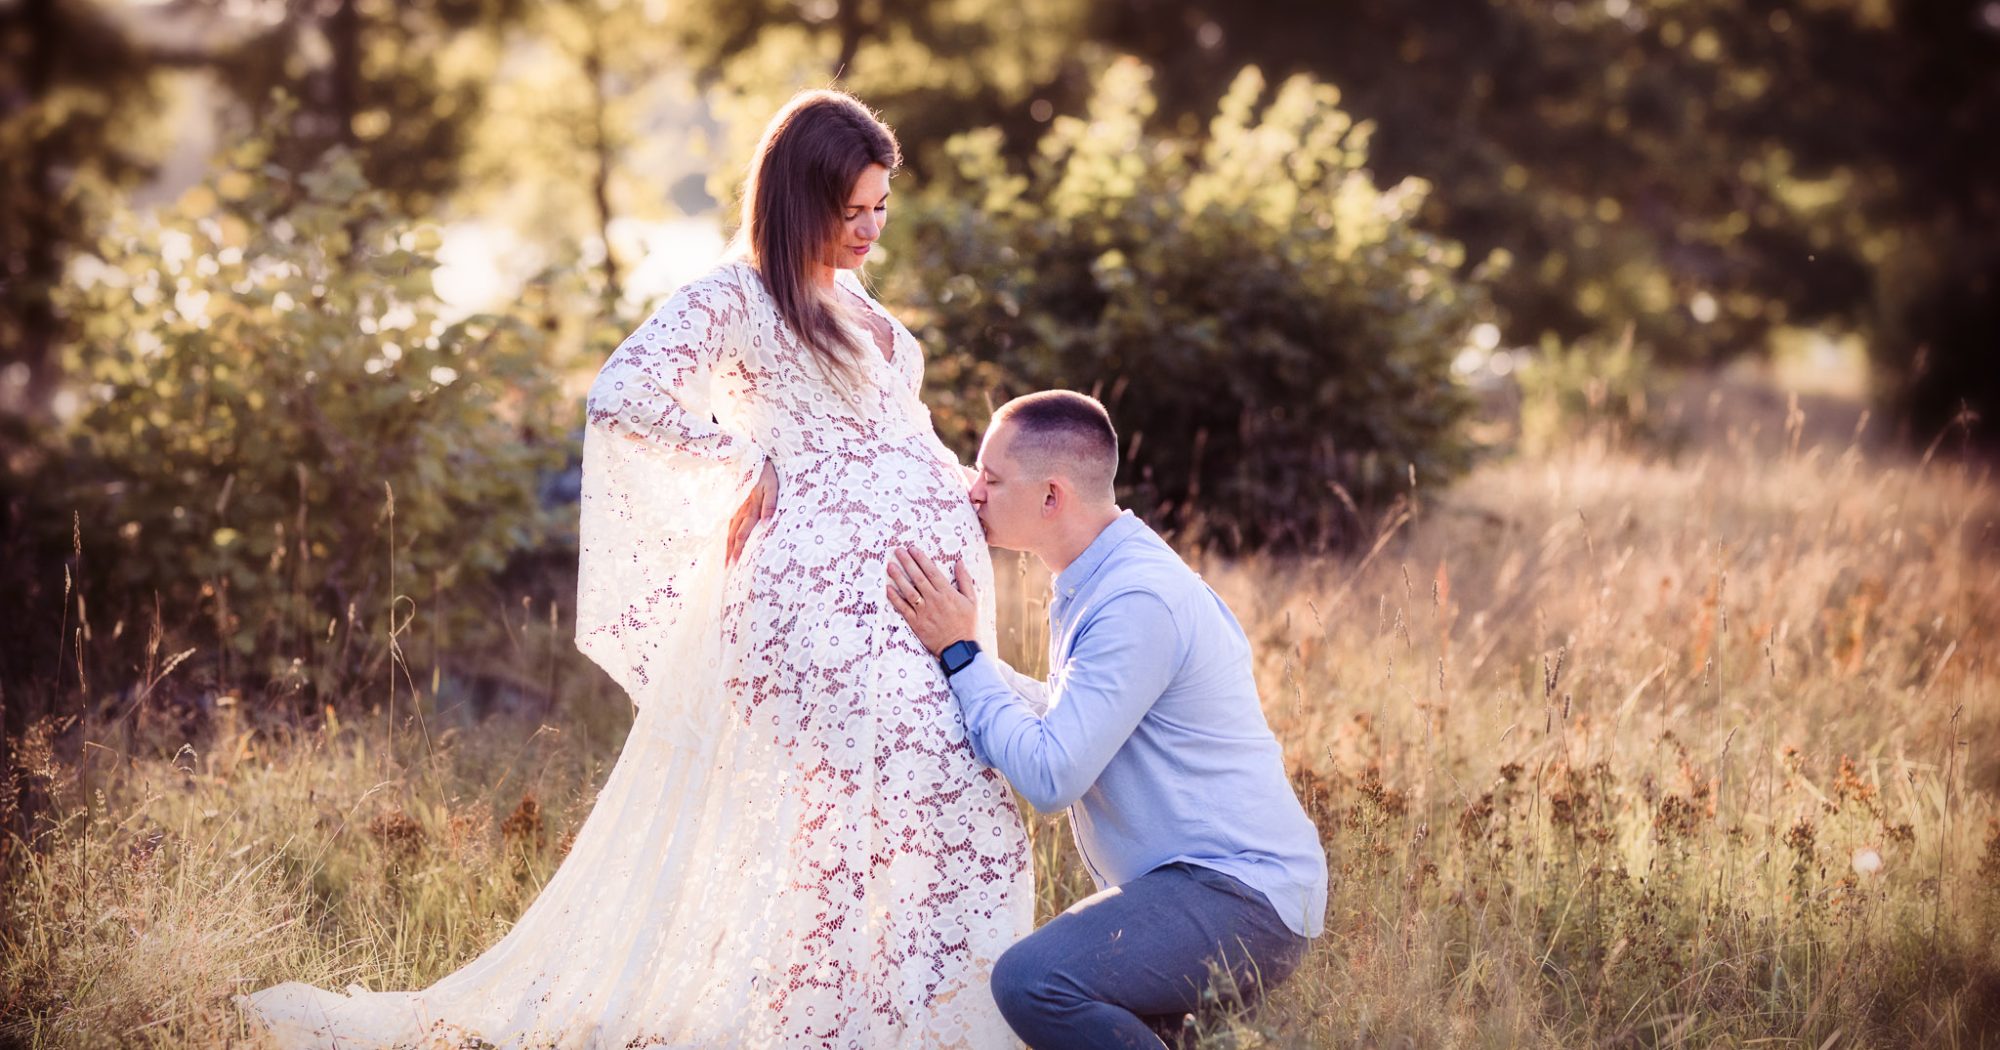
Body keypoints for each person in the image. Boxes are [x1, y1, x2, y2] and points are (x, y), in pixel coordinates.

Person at [239, 89, 1033, 1049]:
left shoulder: (855, 297)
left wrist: (970, 486)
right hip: (818, 614)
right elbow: (623, 393)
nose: (869, 230)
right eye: (850, 211)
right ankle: (840, 1026)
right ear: (796, 202)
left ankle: (901, 1021)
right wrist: (750, 464)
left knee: (940, 799)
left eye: (879, 210)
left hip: (905, 611)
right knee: (882, 805)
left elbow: (887, 438)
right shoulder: (735, 296)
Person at [884, 390, 1327, 1050]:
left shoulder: (1134, 598)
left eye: (993, 477)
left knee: (1033, 981)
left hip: (1240, 898)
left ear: (1052, 496)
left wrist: (960, 653)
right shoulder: (1099, 578)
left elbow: (1053, 774)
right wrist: (960, 658)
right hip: (1201, 889)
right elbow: (1072, 719)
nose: (974, 492)